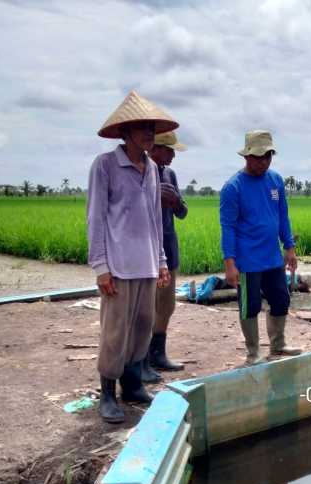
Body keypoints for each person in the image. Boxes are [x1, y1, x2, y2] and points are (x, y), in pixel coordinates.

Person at [87, 90, 176, 423]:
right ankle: (107, 393)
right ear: (124, 132)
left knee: (142, 327)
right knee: (115, 331)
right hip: (119, 267)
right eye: (141, 127)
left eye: (151, 127)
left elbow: (156, 219)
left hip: (147, 265)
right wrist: (101, 267)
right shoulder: (106, 166)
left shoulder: (152, 168)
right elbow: (95, 218)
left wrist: (162, 262)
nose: (149, 133)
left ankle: (133, 384)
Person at [219, 130, 302, 366]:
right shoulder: (233, 188)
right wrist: (229, 263)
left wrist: (289, 246)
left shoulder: (275, 180)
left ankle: (278, 344)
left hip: (272, 257)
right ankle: (253, 352)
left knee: (280, 300)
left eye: (268, 156)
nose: (264, 162)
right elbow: (228, 228)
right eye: (258, 157)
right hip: (247, 261)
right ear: (247, 157)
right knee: (250, 306)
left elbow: (282, 216)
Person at [141, 131, 188, 383]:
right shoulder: (142, 172)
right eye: (169, 150)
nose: (172, 156)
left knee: (166, 304)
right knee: (147, 306)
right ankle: (142, 358)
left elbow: (183, 212)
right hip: (147, 248)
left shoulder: (170, 175)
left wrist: (174, 201)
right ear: (154, 148)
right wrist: (155, 198)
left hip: (168, 246)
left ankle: (158, 353)